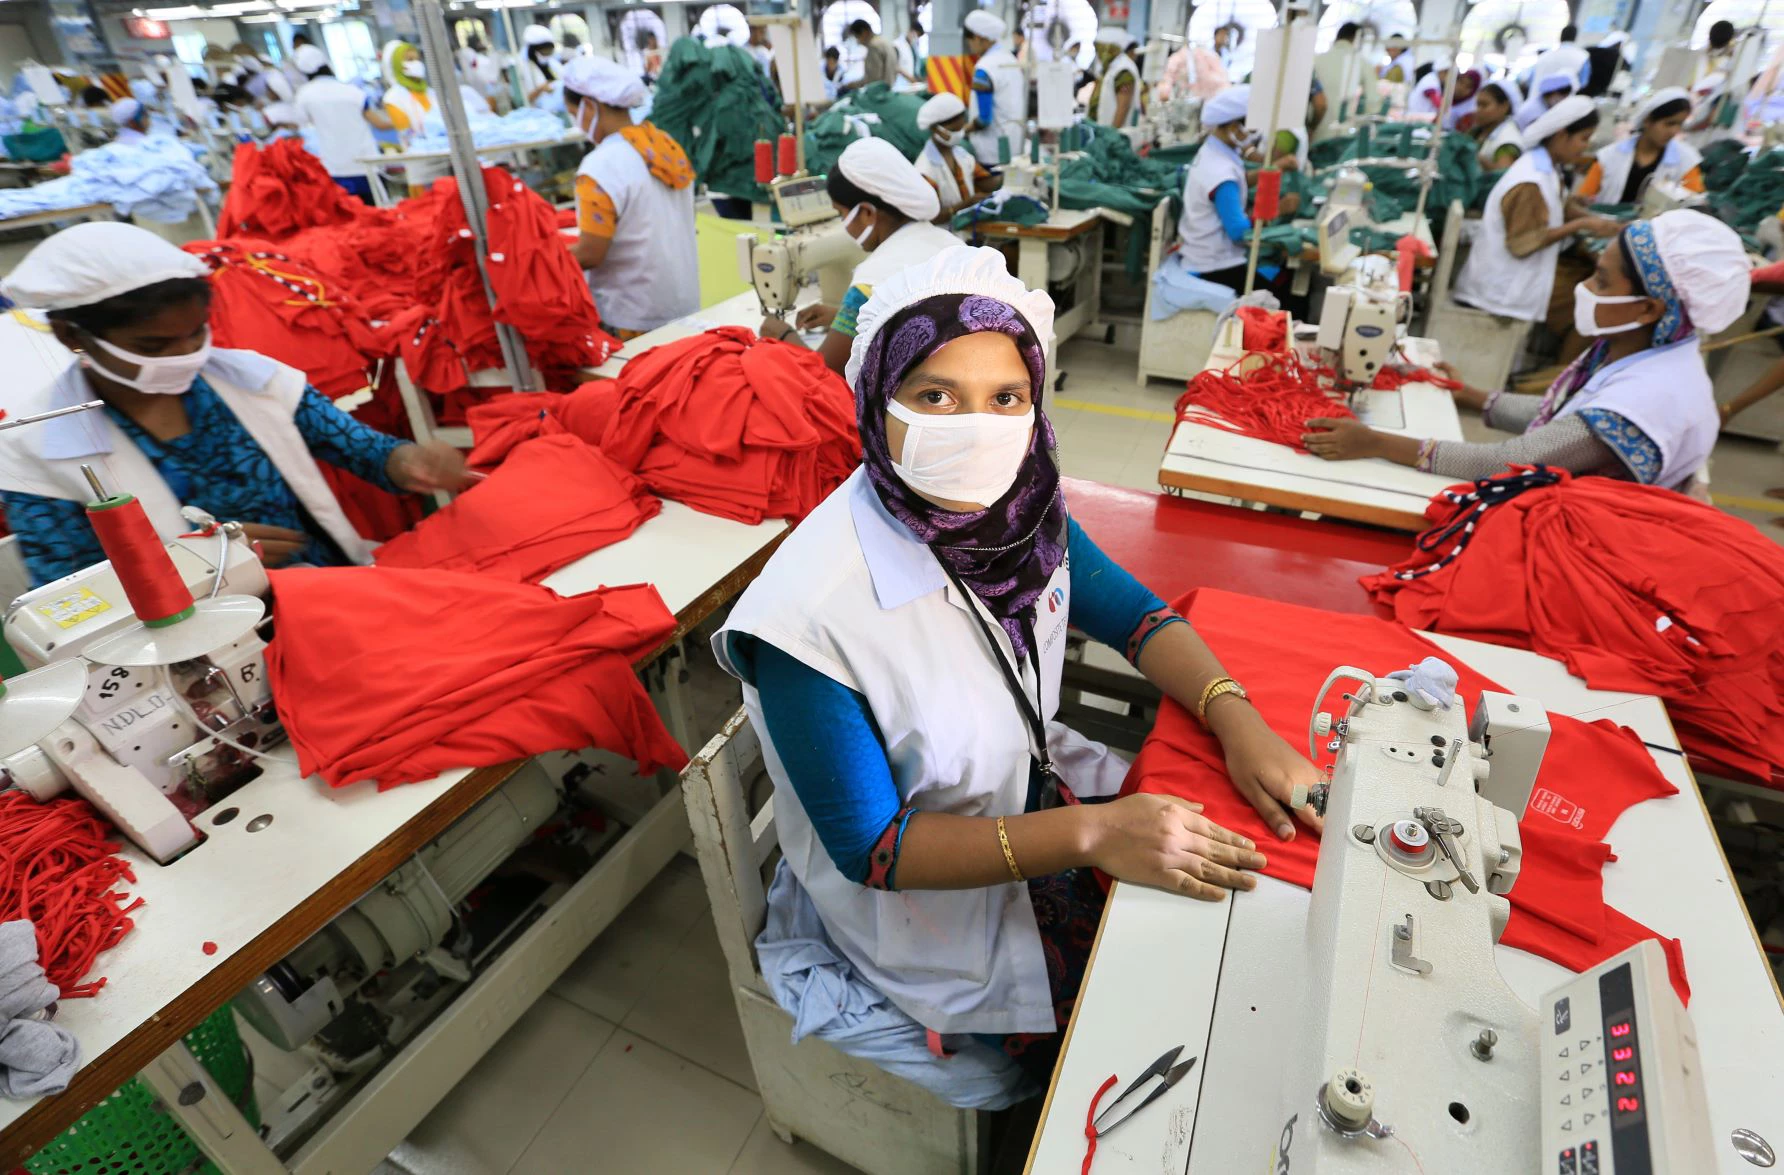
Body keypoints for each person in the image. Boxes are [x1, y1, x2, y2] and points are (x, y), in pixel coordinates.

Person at [723, 245, 1316, 1095]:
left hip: (1019, 800)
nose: (978, 428)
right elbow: (877, 850)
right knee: (1167, 1022)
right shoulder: (810, 618)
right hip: (927, 907)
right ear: (874, 403)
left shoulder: (1021, 511)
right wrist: (1092, 833)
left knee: (1238, 926)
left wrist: (1236, 716)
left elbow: (1139, 618)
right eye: (936, 397)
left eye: (1006, 398)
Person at [0, 223, 473, 587]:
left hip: (329, 587)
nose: (185, 356)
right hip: (206, 649)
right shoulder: (34, 449)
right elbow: (68, 601)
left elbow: (362, 451)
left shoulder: (251, 380)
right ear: (70, 335)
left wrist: (409, 460)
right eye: (152, 346)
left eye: (196, 333)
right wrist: (204, 566)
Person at [1305, 211, 1746, 496]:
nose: (1586, 289)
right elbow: (1571, 414)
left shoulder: (1649, 399)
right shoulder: (1651, 352)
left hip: (1586, 552)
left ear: (1651, 308)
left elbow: (1509, 462)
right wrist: (1472, 396)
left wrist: (1375, 442)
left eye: (1602, 281)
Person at [757, 137, 957, 375]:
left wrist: (782, 333)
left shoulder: (873, 280)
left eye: (841, 214)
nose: (843, 225)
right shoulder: (950, 244)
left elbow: (825, 372)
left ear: (866, 213)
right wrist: (843, 317)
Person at [1449, 97, 1620, 322]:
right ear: (1561, 135)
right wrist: (1583, 224)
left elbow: (1559, 206)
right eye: (1583, 138)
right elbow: (1523, 243)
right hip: (1499, 294)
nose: (1586, 146)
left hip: (1505, 288)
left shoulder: (1548, 169)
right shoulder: (1531, 180)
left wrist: (1604, 223)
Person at [564, 58, 699, 339]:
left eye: (573, 113)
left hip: (631, 317)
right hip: (683, 304)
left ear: (589, 106)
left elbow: (591, 253)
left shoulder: (599, 167)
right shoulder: (664, 146)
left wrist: (543, 262)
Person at [291, 44, 393, 203]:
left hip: (335, 166)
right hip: (367, 163)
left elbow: (302, 124)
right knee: (377, 213)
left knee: (348, 219)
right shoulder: (352, 91)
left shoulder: (304, 95)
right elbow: (379, 123)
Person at [1576, 89, 1701, 207]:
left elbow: (1693, 205)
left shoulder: (1686, 161)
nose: (1674, 131)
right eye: (1669, 124)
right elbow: (1582, 199)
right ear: (1648, 121)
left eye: (1679, 124)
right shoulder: (1609, 156)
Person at [914, 92, 996, 220]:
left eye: (961, 128)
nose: (959, 134)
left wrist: (1012, 175)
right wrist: (963, 206)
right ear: (935, 129)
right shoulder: (925, 170)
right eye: (954, 130)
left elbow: (986, 182)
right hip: (941, 236)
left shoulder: (962, 155)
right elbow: (929, 216)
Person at [965, 10, 1025, 166]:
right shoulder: (1010, 59)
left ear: (979, 38)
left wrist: (962, 131)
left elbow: (984, 119)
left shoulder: (984, 69)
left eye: (970, 40)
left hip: (990, 150)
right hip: (1015, 144)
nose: (970, 46)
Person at [1311, 22, 1360, 139]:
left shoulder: (1317, 60)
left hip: (1317, 134)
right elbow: (1373, 102)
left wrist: (1311, 128)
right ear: (1357, 39)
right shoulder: (1360, 62)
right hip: (1344, 137)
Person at [1090, 28, 1141, 128]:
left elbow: (1123, 107)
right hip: (1105, 132)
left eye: (1100, 49)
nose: (1098, 54)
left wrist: (1112, 134)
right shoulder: (1111, 67)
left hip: (1116, 136)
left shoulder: (1124, 70)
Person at [1472, 78, 1524, 170]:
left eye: (1484, 105)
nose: (1478, 110)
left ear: (1504, 107)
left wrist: (1476, 157)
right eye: (1477, 105)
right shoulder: (1480, 131)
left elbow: (1500, 175)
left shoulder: (1507, 142)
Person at [847, 19, 899, 90]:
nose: (858, 42)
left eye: (857, 37)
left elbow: (874, 79)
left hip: (880, 94)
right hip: (890, 89)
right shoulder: (884, 42)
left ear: (864, 32)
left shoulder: (874, 47)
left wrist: (854, 84)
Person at [520, 25, 559, 104]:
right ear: (533, 50)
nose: (547, 55)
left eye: (549, 51)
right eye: (544, 51)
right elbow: (524, 100)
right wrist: (541, 89)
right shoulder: (523, 67)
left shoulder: (551, 63)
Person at [895, 21, 925, 93]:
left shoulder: (913, 47)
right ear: (910, 30)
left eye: (918, 37)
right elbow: (895, 66)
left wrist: (916, 78)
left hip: (910, 84)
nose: (915, 38)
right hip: (900, 84)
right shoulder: (897, 45)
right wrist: (911, 78)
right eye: (915, 35)